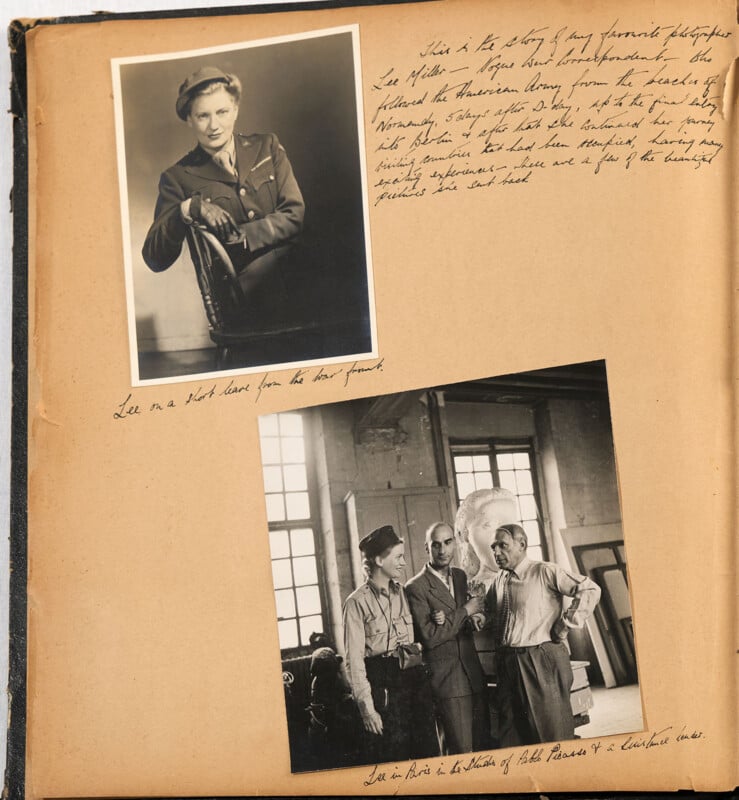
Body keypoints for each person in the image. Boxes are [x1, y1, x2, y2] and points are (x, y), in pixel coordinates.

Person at [142, 66, 305, 327]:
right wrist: (186, 208)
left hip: (299, 276)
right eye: (203, 116)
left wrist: (244, 237)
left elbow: (294, 214)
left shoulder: (267, 146)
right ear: (189, 120)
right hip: (245, 299)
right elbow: (154, 258)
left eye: (222, 112)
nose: (214, 125)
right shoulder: (177, 177)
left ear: (235, 110)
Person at [485, 522, 601, 746]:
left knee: (551, 733)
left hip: (540, 659)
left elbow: (590, 589)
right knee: (511, 736)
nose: (496, 552)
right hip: (507, 663)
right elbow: (492, 612)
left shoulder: (544, 571)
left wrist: (566, 624)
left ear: (522, 545)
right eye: (493, 547)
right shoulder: (499, 579)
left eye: (503, 545)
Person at [342, 525, 439, 765]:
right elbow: (353, 663)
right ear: (378, 559)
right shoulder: (356, 603)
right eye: (398, 557)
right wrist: (367, 709)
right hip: (384, 687)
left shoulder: (404, 593)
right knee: (395, 761)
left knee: (428, 757)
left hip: (415, 681)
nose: (404, 563)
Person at [405, 521, 490, 755]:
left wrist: (473, 620)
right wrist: (465, 611)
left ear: (455, 542)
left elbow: (460, 625)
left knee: (484, 749)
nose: (442, 550)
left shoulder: (460, 576)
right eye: (436, 545)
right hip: (448, 683)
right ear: (427, 548)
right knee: (461, 753)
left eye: (448, 542)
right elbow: (430, 637)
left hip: (473, 675)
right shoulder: (415, 587)